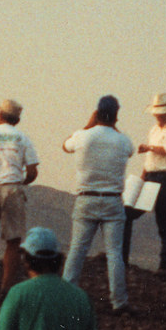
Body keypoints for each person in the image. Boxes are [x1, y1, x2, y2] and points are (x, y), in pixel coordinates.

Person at [61, 95, 136, 315]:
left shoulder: (83, 136)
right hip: (113, 199)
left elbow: (65, 146)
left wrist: (88, 125)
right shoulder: (123, 140)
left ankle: (66, 295)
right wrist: (114, 126)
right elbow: (130, 149)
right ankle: (119, 301)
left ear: (97, 112)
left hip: (86, 197)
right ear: (116, 114)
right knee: (115, 253)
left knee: (77, 249)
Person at [119, 92, 166, 281]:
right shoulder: (154, 130)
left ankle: (165, 266)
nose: (157, 115)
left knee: (165, 222)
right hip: (151, 175)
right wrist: (143, 177)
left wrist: (149, 148)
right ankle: (121, 259)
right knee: (127, 213)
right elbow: (151, 159)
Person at [0, 99, 41, 293]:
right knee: (13, 241)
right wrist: (19, 182)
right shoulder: (23, 138)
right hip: (11, 188)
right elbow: (32, 172)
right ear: (18, 118)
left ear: (0, 115)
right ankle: (6, 287)